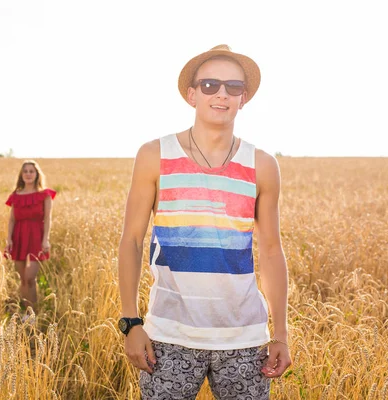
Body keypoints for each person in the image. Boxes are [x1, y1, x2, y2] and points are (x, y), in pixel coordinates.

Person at [117, 44, 291, 399]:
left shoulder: (262, 165)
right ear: (191, 94)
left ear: (244, 99)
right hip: (168, 336)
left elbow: (271, 251)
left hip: (245, 339)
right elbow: (132, 241)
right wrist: (130, 322)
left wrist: (281, 334)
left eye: (234, 87)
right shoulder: (155, 155)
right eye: (210, 85)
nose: (222, 94)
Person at [5, 160, 56, 312]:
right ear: (22, 175)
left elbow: (47, 219)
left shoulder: (44, 195)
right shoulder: (16, 195)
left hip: (36, 236)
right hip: (19, 236)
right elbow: (12, 219)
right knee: (22, 279)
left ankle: (32, 314)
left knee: (30, 278)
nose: (28, 174)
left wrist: (45, 239)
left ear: (37, 174)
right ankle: (25, 310)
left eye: (31, 171)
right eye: (25, 171)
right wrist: (9, 239)